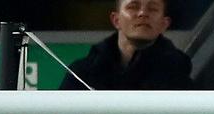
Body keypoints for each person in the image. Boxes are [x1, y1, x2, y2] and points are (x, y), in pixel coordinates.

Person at [60, 0, 194, 91]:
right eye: (133, 7)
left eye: (152, 9)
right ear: (116, 19)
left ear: (165, 24)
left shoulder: (179, 79)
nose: (142, 13)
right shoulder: (82, 74)